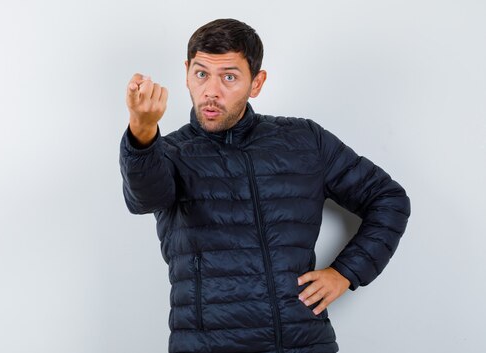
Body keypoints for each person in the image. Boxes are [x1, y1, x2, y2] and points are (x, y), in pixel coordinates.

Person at [119, 18, 410, 353]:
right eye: (201, 74)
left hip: (303, 344)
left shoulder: (303, 140)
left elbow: (389, 200)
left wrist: (345, 272)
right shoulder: (168, 153)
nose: (211, 91)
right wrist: (142, 133)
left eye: (229, 77)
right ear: (187, 73)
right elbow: (143, 197)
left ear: (256, 82)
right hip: (206, 345)